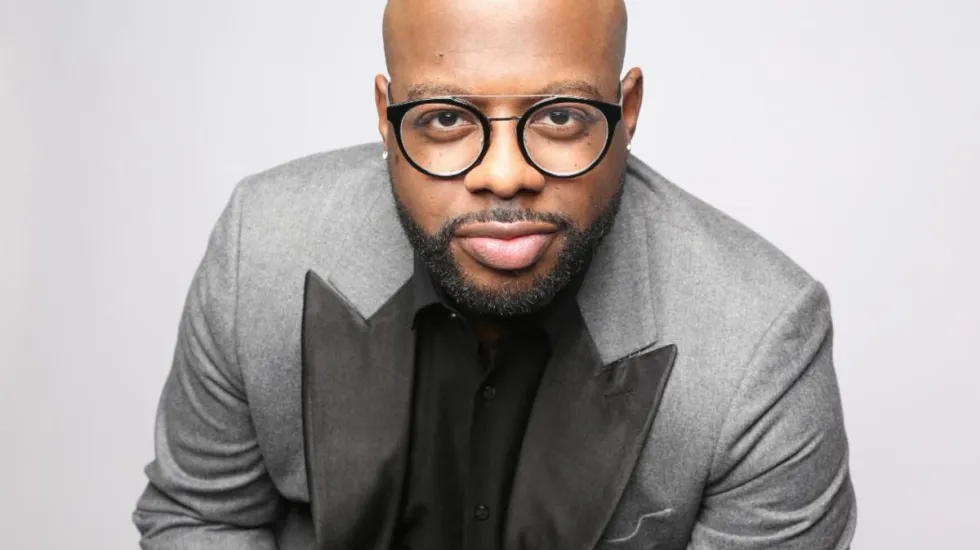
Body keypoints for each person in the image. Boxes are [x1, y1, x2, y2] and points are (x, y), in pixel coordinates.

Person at [132, 0, 857, 548]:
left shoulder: (759, 340)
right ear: (386, 117)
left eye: (561, 117)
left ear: (627, 111)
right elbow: (201, 518)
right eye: (446, 119)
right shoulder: (264, 245)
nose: (504, 175)